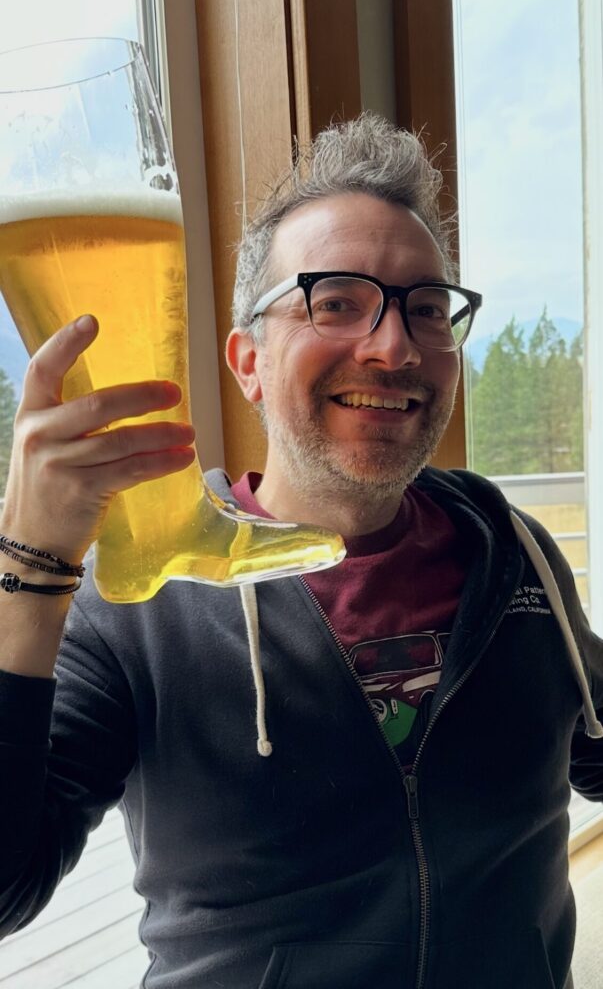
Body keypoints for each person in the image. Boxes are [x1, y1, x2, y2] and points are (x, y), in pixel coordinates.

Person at [0, 113, 601, 989]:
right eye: (335, 302)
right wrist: (30, 568)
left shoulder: (511, 549)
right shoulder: (141, 598)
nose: (393, 346)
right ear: (247, 360)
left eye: (426, 309)